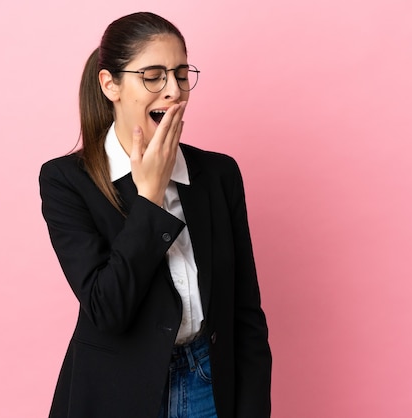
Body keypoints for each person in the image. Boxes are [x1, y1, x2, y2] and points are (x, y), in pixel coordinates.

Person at [39, 11, 271, 418]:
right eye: (153, 75)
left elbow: (245, 311)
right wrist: (148, 198)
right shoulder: (65, 181)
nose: (173, 90)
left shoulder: (218, 174)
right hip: (118, 392)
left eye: (181, 74)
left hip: (209, 384)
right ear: (110, 84)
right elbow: (107, 309)